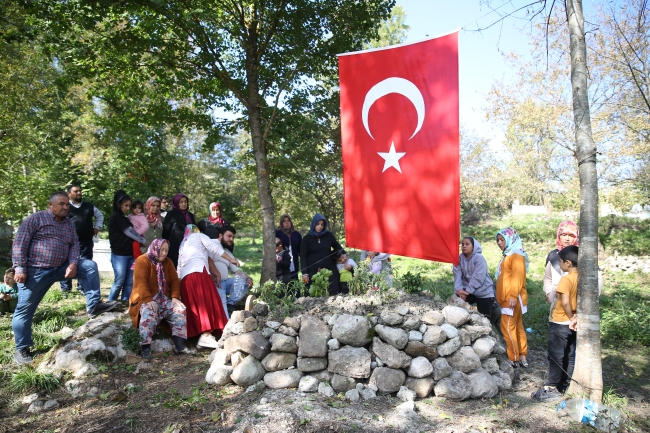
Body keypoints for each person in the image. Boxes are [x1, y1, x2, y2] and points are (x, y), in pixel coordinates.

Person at [11, 192, 116, 364]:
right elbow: (20, 243)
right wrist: (20, 268)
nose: (66, 207)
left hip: (61, 268)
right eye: (61, 204)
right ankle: (22, 348)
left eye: (67, 204)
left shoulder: (68, 224)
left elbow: (75, 245)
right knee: (24, 310)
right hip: (35, 271)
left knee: (89, 266)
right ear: (50, 205)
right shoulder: (36, 219)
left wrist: (73, 263)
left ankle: (94, 306)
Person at [128, 239, 194, 360]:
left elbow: (174, 281)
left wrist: (175, 297)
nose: (164, 253)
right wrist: (149, 300)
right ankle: (145, 347)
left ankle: (180, 345)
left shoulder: (168, 262)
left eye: (166, 250)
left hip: (163, 297)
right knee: (149, 311)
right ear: (155, 248)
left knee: (180, 309)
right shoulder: (142, 261)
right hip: (145, 298)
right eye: (161, 250)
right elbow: (140, 283)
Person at [177, 225, 238, 349]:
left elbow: (179, 265)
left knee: (196, 306)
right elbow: (213, 247)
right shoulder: (199, 236)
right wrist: (230, 259)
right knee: (208, 302)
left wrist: (179, 286)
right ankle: (206, 335)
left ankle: (200, 338)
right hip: (199, 273)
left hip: (185, 279)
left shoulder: (183, 244)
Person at [532, 246, 579, 402]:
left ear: (568, 262)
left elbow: (565, 302)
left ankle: (551, 387)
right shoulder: (581, 277)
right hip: (573, 324)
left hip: (560, 321)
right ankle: (565, 384)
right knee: (569, 355)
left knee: (556, 355)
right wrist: (574, 318)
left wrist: (571, 316)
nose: (559, 264)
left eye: (560, 262)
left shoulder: (566, 279)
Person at [60, 184, 104, 294]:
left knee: (85, 264)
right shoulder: (65, 207)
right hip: (68, 242)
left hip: (86, 241)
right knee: (66, 263)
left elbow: (100, 216)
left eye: (80, 191)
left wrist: (97, 227)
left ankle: (82, 288)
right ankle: (66, 289)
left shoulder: (89, 206)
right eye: (75, 191)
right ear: (68, 194)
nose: (79, 193)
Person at [495, 227, 529, 368]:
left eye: (502, 239)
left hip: (511, 298)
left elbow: (517, 277)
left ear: (511, 239)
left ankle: (513, 357)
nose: (499, 242)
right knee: (517, 326)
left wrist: (513, 295)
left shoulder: (515, 255)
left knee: (507, 327)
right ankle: (522, 355)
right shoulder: (510, 254)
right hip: (510, 298)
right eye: (498, 240)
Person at [108, 190, 146, 303]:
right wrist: (142, 240)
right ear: (118, 204)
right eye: (125, 205)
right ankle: (110, 303)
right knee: (119, 281)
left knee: (129, 281)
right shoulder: (116, 216)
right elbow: (129, 231)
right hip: (119, 255)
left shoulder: (125, 218)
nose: (127, 208)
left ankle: (125, 302)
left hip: (130, 254)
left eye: (129, 206)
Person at [212, 225, 253, 318]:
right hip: (215, 283)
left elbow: (237, 271)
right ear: (220, 235)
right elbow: (207, 261)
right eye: (229, 236)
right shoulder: (212, 245)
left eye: (233, 237)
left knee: (244, 281)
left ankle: (230, 304)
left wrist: (248, 278)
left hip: (225, 282)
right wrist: (216, 274)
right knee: (223, 311)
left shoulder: (228, 252)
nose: (231, 239)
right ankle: (227, 324)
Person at [300, 213, 344, 295]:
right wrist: (305, 273)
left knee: (333, 291)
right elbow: (303, 257)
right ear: (314, 224)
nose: (320, 226)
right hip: (313, 270)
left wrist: (342, 255)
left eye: (322, 224)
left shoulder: (329, 236)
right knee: (314, 293)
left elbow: (338, 247)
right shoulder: (306, 239)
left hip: (329, 269)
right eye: (317, 224)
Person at [453, 237, 495, 318]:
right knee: (456, 302)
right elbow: (457, 276)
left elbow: (478, 277)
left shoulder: (479, 258)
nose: (464, 246)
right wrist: (458, 291)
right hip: (468, 290)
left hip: (484, 291)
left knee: (485, 318)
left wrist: (468, 291)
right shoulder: (459, 258)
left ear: (473, 246)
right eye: (462, 244)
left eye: (467, 244)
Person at [543, 220, 579, 304]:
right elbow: (547, 277)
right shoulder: (553, 255)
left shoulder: (583, 256)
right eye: (563, 235)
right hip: (556, 302)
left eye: (571, 235)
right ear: (559, 236)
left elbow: (596, 280)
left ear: (576, 236)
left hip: (576, 304)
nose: (567, 239)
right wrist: (549, 293)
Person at [162, 193, 196, 268]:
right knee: (174, 268)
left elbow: (195, 230)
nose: (184, 204)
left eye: (185, 202)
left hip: (189, 247)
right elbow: (165, 231)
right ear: (176, 203)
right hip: (174, 247)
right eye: (181, 202)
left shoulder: (190, 215)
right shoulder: (171, 214)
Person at [275, 214, 302, 281]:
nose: (287, 222)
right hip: (281, 264)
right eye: (284, 221)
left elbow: (301, 249)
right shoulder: (277, 233)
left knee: (294, 283)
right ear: (281, 223)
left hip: (294, 261)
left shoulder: (296, 234)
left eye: (288, 221)